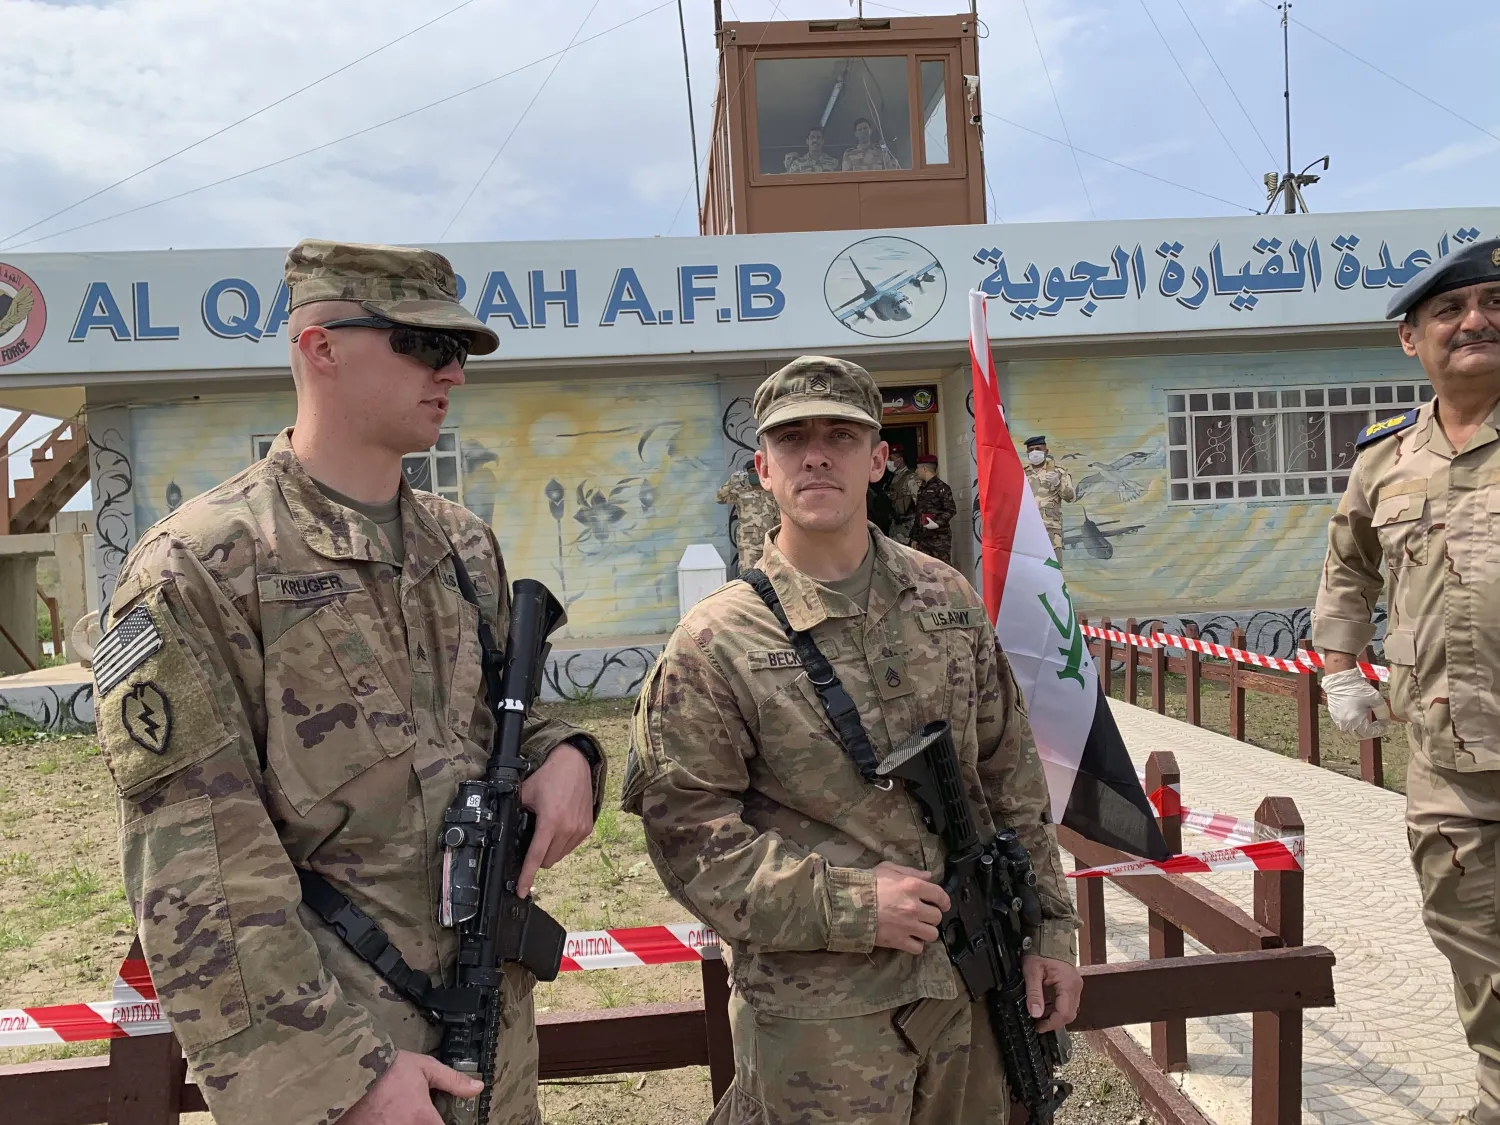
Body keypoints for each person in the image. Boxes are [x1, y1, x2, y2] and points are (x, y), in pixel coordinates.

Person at [92, 240, 605, 1125]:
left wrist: (569, 755)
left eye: (459, 353)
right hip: (355, 1061)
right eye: (422, 344)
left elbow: (485, 722)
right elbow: (196, 871)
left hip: (491, 1033)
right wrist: (340, 1076)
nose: (452, 373)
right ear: (319, 346)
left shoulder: (461, 545)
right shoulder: (200, 566)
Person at [622, 355, 1080, 1125]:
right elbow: (687, 838)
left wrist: (1053, 928)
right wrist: (852, 903)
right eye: (793, 438)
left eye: (841, 434)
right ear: (763, 468)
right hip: (825, 1022)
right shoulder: (716, 641)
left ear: (877, 458)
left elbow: (1011, 780)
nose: (817, 454)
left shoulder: (946, 598)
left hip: (974, 990)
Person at [1312, 237, 1500, 1125]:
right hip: (1448, 762)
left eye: (1494, 302)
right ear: (1411, 339)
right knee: (1473, 944)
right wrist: (1340, 666)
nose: (1477, 320)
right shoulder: (1383, 461)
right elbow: (1347, 564)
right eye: (1450, 311)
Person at [716, 458, 781, 573]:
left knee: (771, 574)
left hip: (768, 542)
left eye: (757, 471)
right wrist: (732, 481)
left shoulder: (771, 492)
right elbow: (720, 498)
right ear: (747, 474)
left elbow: (778, 518)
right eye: (751, 472)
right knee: (748, 575)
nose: (755, 474)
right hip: (748, 544)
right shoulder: (741, 492)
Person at [1023, 436, 1077, 556]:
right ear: (1027, 453)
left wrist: (1058, 484)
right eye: (1031, 450)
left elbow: (1070, 497)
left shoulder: (1058, 472)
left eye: (1038, 448)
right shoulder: (1021, 473)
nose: (1034, 452)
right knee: (1031, 568)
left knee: (1052, 568)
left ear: (1046, 451)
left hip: (1051, 529)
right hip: (1027, 529)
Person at [910, 454, 957, 564]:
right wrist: (915, 538)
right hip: (923, 539)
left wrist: (937, 523)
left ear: (925, 468)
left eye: (918, 468)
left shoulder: (942, 487)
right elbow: (919, 514)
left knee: (942, 572)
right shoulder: (922, 488)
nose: (916, 471)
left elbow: (951, 510)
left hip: (939, 539)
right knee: (924, 572)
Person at [886, 446, 921, 544]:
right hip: (895, 528)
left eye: (891, 459)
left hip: (908, 529)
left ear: (900, 460)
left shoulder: (911, 478)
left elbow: (921, 504)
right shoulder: (892, 479)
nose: (888, 462)